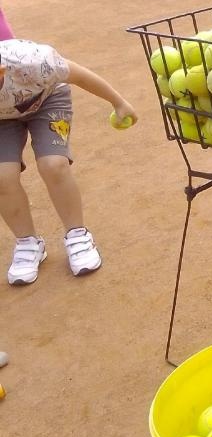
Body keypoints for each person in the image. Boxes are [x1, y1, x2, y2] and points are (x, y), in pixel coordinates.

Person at [0, 38, 138, 285]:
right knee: (2, 176)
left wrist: (119, 103)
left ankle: (77, 234)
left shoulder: (33, 61)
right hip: (2, 119)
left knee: (54, 164)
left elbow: (79, 75)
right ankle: (28, 243)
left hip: (47, 100)